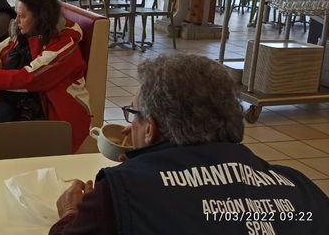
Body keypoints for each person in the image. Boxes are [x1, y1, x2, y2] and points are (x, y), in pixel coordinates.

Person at [50, 54, 329, 235]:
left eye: (134, 115)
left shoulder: (119, 195)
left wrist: (70, 213)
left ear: (150, 129)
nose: (128, 127)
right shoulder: (303, 189)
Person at [0, 0, 91, 151]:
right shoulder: (26, 32)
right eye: (17, 14)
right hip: (25, 101)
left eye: (22, 16)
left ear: (40, 18)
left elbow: (30, 78)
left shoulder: (65, 45)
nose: (16, 20)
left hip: (56, 112)